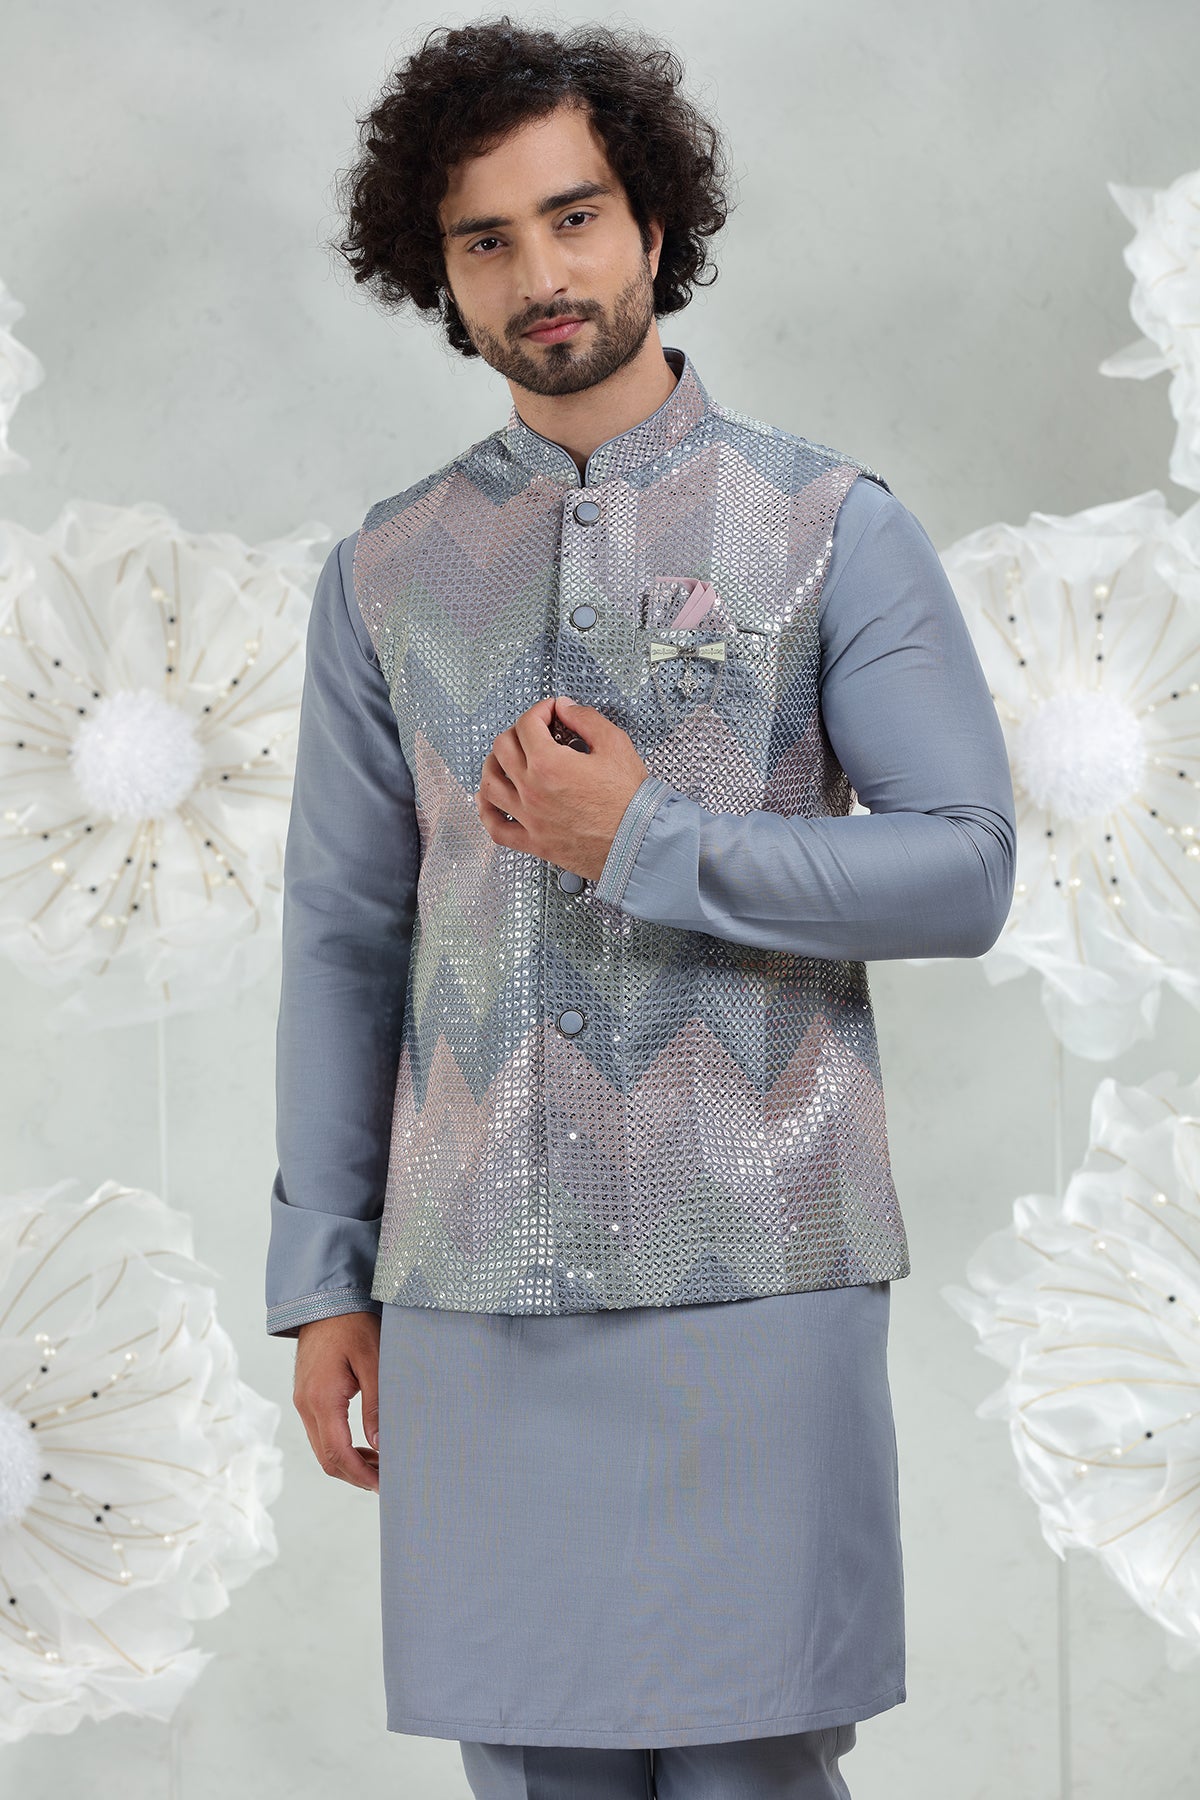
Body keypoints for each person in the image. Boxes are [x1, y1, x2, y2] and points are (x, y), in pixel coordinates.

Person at [264, 18, 1016, 1799]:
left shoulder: (829, 527)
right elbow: (345, 938)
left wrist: (650, 840)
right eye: (487, 239)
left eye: (576, 216)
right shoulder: (385, 572)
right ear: (438, 274)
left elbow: (965, 867)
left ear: (655, 225)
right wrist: (323, 1279)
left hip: (760, 1272)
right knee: (533, 1775)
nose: (542, 272)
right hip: (474, 1294)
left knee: (753, 1769)